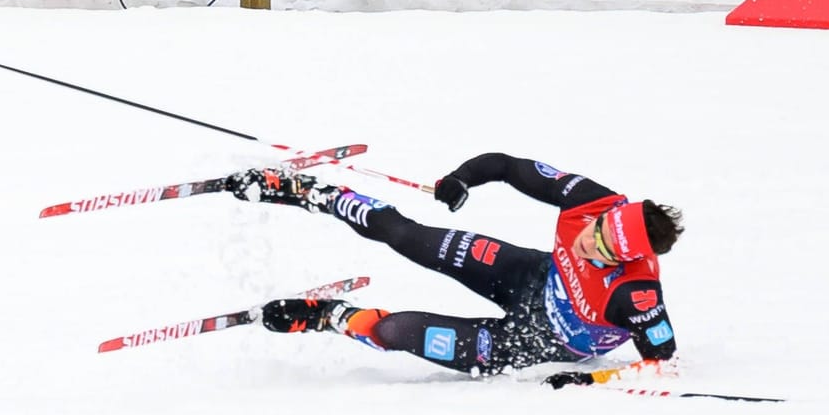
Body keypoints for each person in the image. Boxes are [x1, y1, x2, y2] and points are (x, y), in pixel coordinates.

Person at [226, 152, 683, 379]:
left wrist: (592, 378)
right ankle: (315, 194)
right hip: (533, 277)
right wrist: (461, 178)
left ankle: (331, 316)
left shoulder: (636, 294)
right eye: (596, 228)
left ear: (625, 260)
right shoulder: (594, 201)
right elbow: (507, 165)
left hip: (537, 343)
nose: (587, 241)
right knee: (409, 237)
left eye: (602, 249)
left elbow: (662, 364)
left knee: (397, 332)